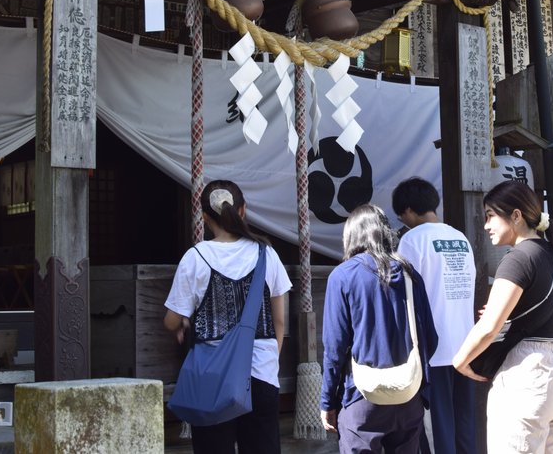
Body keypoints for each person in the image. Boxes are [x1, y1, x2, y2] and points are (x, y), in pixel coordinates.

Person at [164, 180, 292, 454]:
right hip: (261, 374)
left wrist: (184, 322)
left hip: (213, 378)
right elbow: (280, 321)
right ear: (243, 210)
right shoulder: (267, 253)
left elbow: (171, 320)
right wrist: (268, 359)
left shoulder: (196, 257)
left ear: (204, 216)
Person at [452, 180, 553, 454]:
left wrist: (460, 361)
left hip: (528, 372)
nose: (486, 225)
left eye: (491, 215)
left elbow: (489, 326)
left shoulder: (517, 259)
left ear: (516, 216)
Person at [320, 204, 439, 453]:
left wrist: (327, 402)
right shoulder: (410, 274)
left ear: (351, 235)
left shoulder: (343, 276)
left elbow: (334, 349)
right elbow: (430, 337)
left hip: (362, 397)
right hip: (408, 396)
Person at [391, 177, 477, 454]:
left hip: (433, 349)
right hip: (466, 345)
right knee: (464, 421)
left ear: (408, 211)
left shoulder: (411, 240)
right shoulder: (460, 238)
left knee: (437, 427)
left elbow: (404, 295)